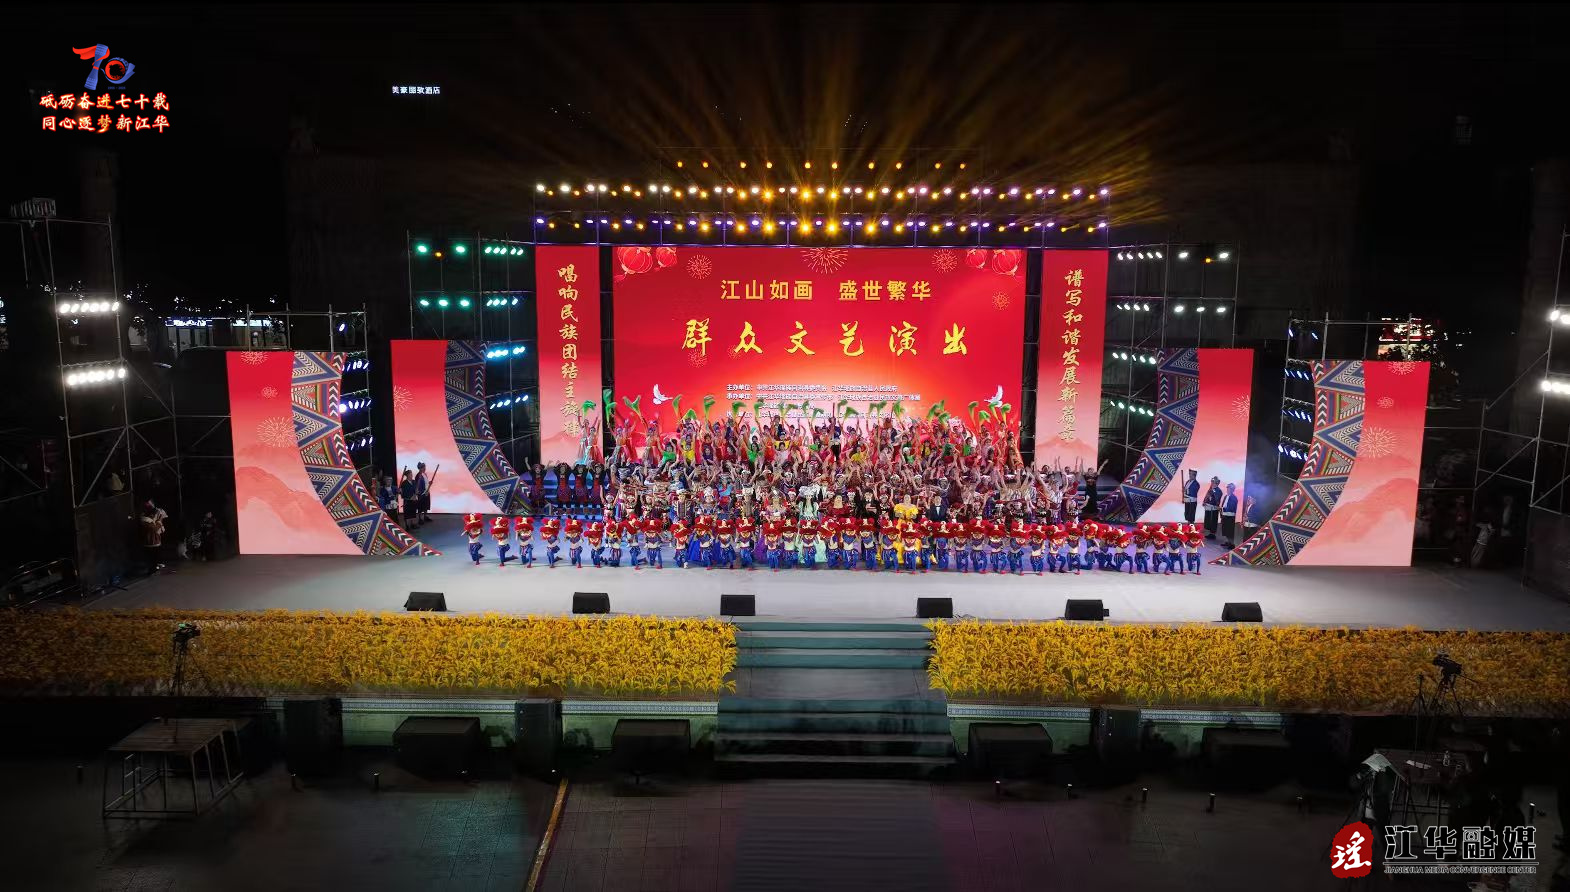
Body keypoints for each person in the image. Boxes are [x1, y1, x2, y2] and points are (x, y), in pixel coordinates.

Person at [140, 499, 168, 573]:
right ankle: (152, 569)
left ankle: (155, 567)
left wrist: (159, 520)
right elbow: (154, 528)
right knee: (152, 556)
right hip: (150, 541)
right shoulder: (145, 519)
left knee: (155, 555)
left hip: (155, 540)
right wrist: (159, 521)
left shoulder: (154, 515)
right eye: (148, 504)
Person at [1220, 483, 1240, 548]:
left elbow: (1231, 508)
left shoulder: (1234, 498)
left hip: (1230, 516)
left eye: (1229, 488)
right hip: (1225, 515)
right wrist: (1221, 511)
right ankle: (1228, 542)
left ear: (1232, 490)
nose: (1228, 489)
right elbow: (1223, 504)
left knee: (1230, 530)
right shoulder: (1226, 496)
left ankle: (1232, 544)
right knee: (1225, 529)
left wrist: (1222, 508)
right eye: (1228, 488)